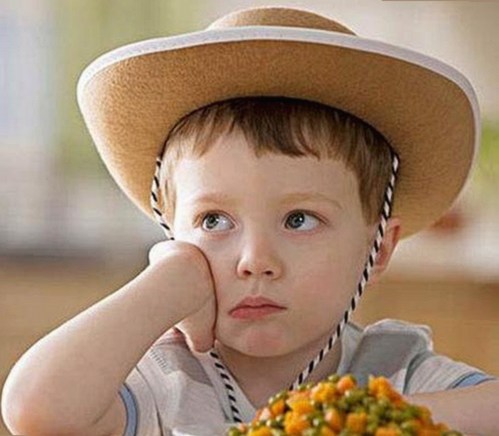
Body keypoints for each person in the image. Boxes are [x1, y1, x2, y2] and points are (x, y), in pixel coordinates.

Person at [2, 6, 498, 436]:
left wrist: (355, 416)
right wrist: (171, 280)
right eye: (214, 221)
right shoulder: (164, 379)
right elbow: (35, 411)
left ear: (379, 248)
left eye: (299, 219)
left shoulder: (395, 369)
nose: (255, 260)